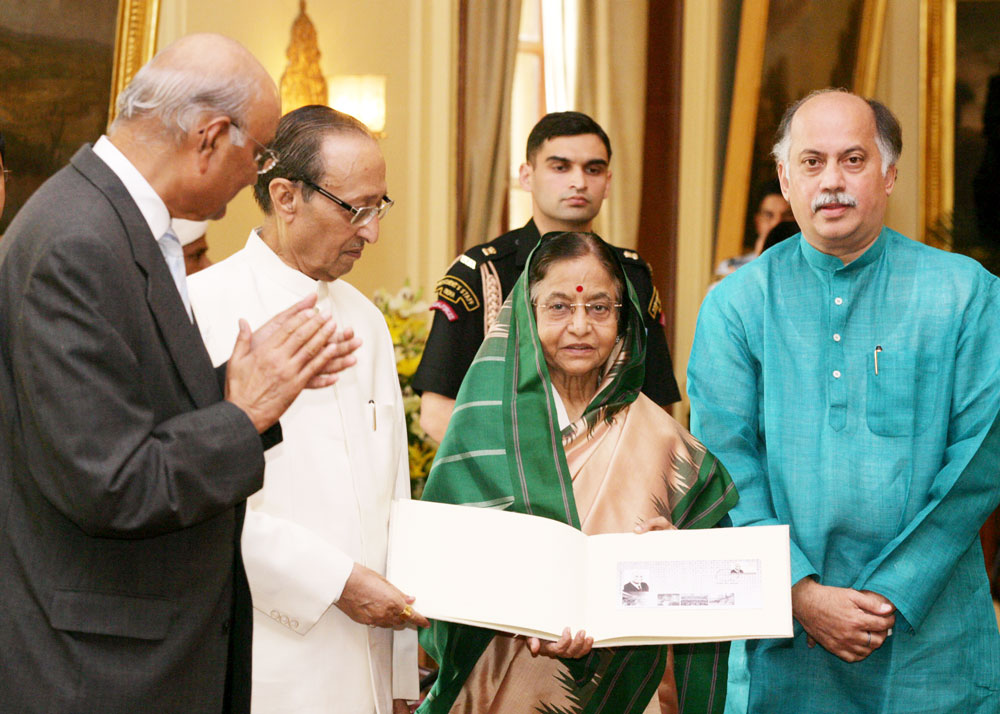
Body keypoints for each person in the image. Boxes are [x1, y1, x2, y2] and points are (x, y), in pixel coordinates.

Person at [0, 34, 360, 713]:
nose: (254, 176)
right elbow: (110, 483)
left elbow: (128, 408)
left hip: (140, 653)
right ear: (210, 136)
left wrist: (242, 382)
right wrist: (243, 412)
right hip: (100, 670)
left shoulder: (116, 224)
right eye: (256, 155)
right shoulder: (80, 240)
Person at [688, 89, 1000, 713]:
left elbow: (980, 461)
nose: (831, 181)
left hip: (928, 638)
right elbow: (724, 462)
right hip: (784, 636)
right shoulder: (736, 305)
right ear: (784, 176)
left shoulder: (966, 292)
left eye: (853, 159)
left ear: (889, 173)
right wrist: (800, 593)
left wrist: (889, 595)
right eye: (811, 162)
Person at [418, 232, 737, 714]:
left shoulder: (664, 439)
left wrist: (675, 558)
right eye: (559, 307)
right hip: (496, 689)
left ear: (624, 318)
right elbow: (436, 574)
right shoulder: (482, 427)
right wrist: (516, 609)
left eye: (601, 308)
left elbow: (718, 581)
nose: (581, 327)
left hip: (624, 691)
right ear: (527, 314)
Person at [188, 105, 426, 714]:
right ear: (285, 196)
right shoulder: (204, 307)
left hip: (371, 654)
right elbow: (200, 500)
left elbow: (392, 494)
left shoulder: (366, 321)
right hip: (268, 651)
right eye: (356, 209)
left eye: (381, 206)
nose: (371, 231)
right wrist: (334, 582)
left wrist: (402, 678)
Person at [414, 111, 680, 443]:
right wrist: (531, 476)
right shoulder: (482, 274)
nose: (579, 182)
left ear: (608, 182)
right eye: (560, 167)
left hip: (612, 484)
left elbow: (656, 404)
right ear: (527, 175)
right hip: (506, 485)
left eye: (593, 169)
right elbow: (437, 411)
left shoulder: (632, 276)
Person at [715, 181, 794, 276]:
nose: (776, 223)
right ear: (758, 222)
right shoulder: (730, 268)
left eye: (787, 216)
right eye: (768, 215)